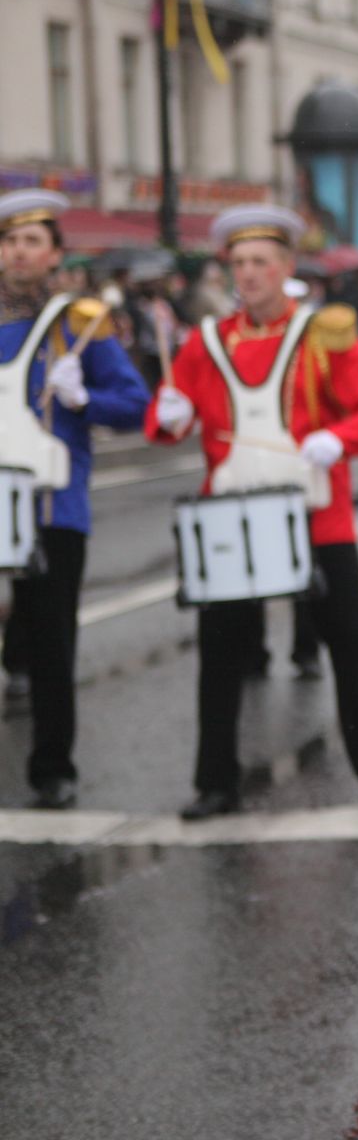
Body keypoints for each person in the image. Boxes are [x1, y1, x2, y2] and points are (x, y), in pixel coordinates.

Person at [146, 204, 358, 820]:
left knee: (348, 642)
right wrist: (169, 416)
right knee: (221, 653)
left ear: (287, 266)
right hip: (232, 517)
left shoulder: (323, 334)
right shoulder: (207, 342)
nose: (249, 273)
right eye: (238, 262)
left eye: (261, 261)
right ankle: (216, 781)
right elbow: (167, 416)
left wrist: (340, 439)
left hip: (318, 516)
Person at [0, 190, 150, 808]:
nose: (17, 253)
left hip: (51, 507)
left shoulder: (78, 325)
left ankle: (53, 765)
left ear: (56, 254)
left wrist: (86, 400)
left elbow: (136, 404)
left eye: (32, 242)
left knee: (52, 643)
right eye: (9, 242)